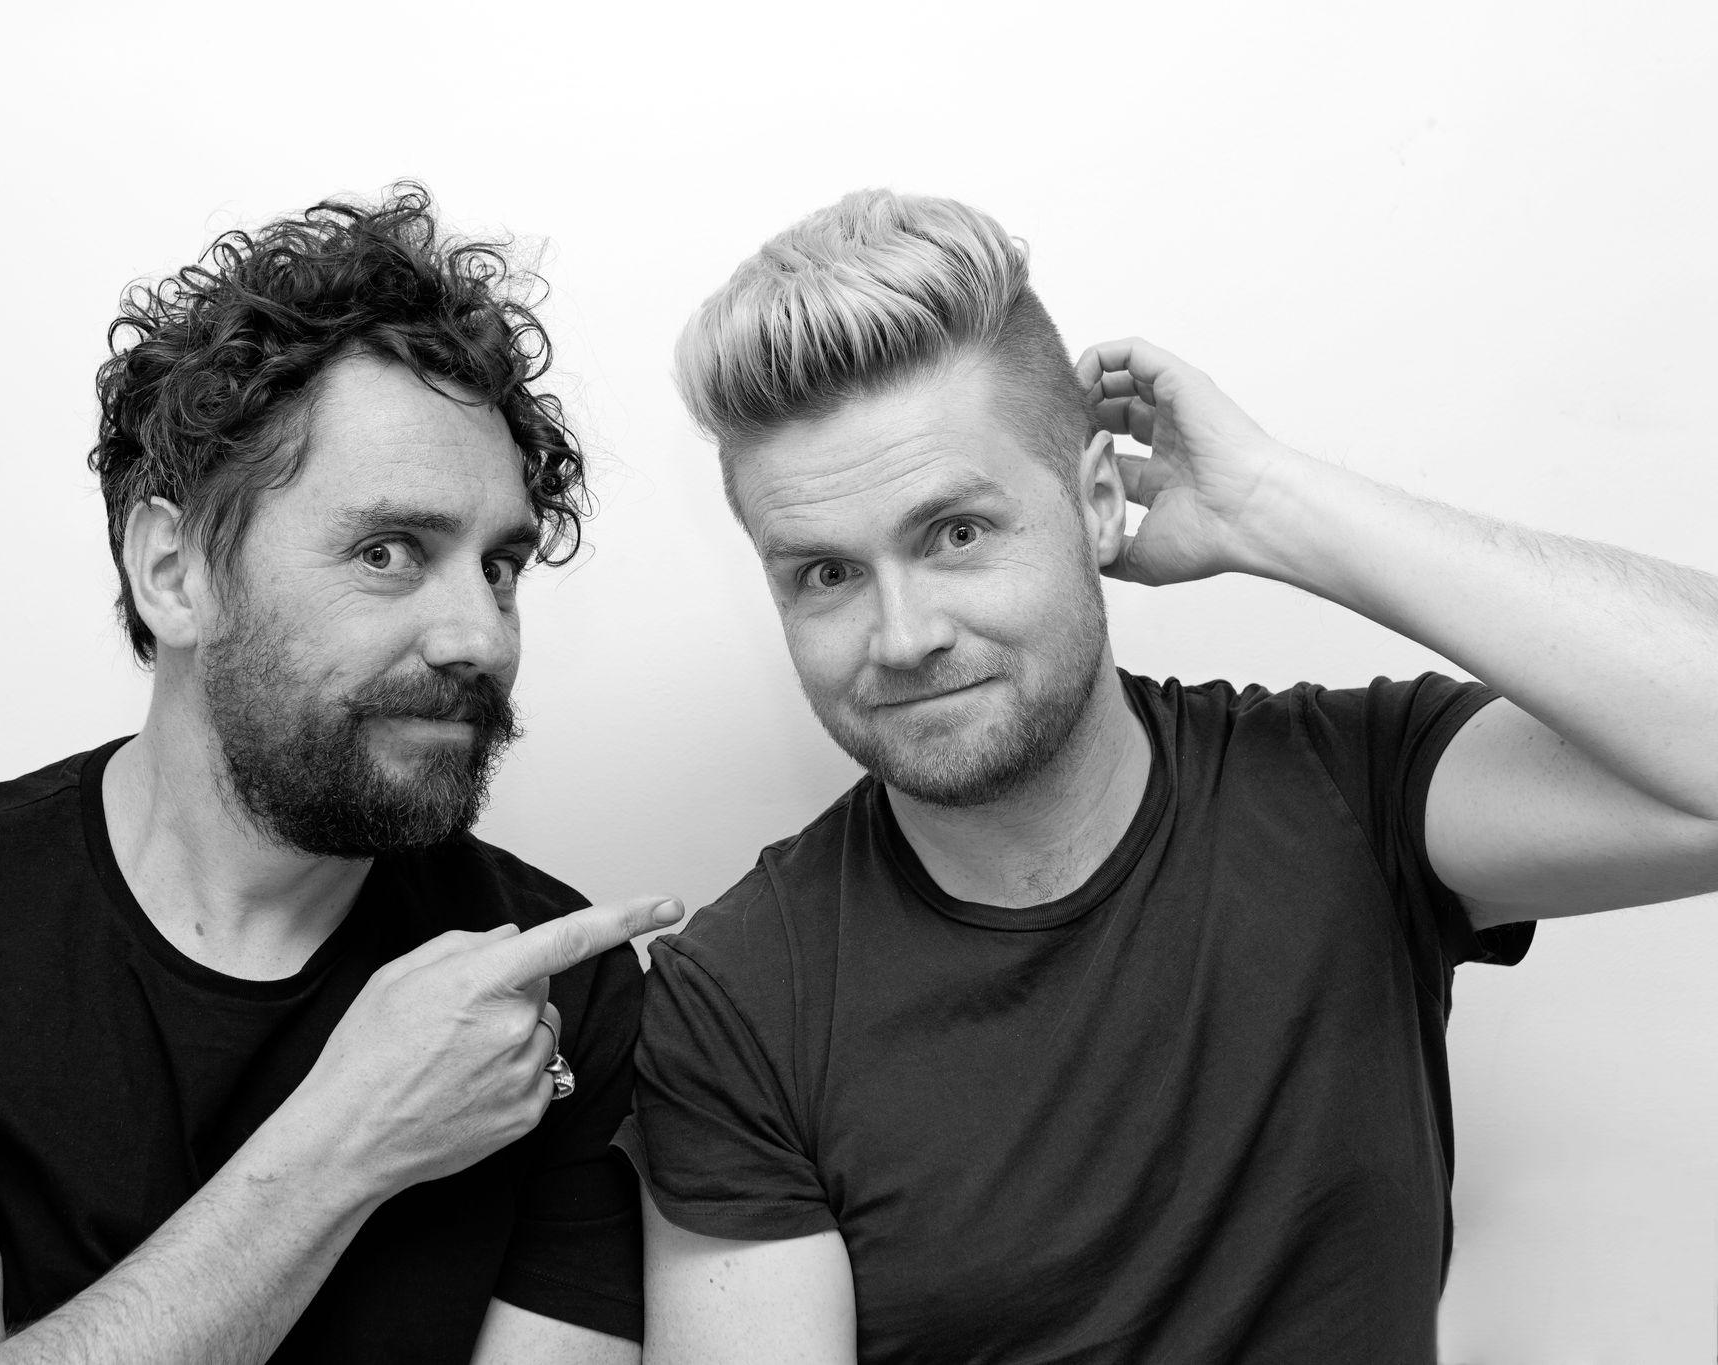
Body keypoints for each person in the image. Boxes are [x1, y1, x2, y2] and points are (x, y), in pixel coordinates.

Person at [620, 190, 1718, 1364]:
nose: (902, 636)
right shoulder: (735, 1000)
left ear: (1097, 501)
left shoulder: (1347, 795)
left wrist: (1270, 507)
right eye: (825, 574)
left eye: (955, 534)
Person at [0, 186, 678, 1365]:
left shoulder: (550, 986)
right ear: (173, 571)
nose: (478, 635)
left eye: (501, 566)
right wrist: (342, 1143)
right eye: (388, 551)